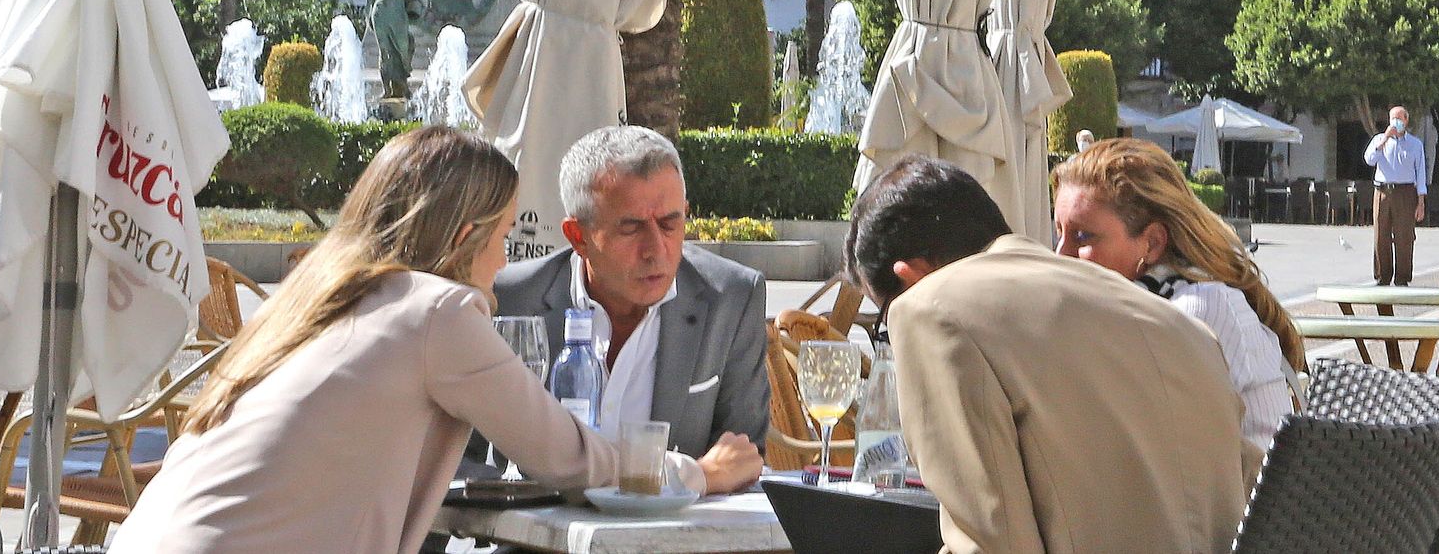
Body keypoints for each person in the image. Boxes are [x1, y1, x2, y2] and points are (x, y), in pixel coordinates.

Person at [112, 127, 706, 553]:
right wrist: (694, 471)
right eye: (504, 234)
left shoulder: (313, 297)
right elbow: (567, 456)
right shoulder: (435, 311)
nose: (505, 258)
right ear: (466, 237)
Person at [844, 154, 1260, 554]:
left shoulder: (931, 308)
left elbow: (990, 542)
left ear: (910, 275)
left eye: (884, 320)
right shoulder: (1184, 327)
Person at [493, 126, 770, 468]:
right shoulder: (509, 300)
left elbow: (743, 457)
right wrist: (690, 475)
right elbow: (467, 461)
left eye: (671, 223)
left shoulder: (731, 298)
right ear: (578, 236)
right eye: (631, 228)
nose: (656, 250)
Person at [1053, 137, 1304, 452]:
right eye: (1059, 232)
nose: (1061, 255)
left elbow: (1138, 448)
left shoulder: (1196, 309)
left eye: (1082, 236)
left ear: (1152, 243)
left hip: (1247, 499)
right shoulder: (1146, 303)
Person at [1364, 105, 1427, 286]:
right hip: (1382, 191)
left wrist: (1420, 201)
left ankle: (1402, 278)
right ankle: (1382, 276)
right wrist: (1384, 139)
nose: (1396, 123)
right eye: (1393, 119)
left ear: (1406, 121)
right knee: (1380, 235)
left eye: (1400, 119)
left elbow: (1420, 173)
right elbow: (1369, 160)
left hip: (1406, 192)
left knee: (1404, 236)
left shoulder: (1415, 144)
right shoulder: (1379, 139)